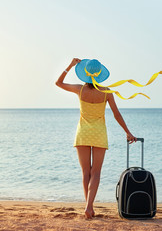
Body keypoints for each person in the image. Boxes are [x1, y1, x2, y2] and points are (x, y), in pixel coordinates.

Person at [55, 58, 137, 219]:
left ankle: (89, 207)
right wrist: (128, 132)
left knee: (86, 172)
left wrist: (71, 66)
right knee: (96, 172)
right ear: (100, 75)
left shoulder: (79, 90)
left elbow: (58, 83)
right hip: (99, 134)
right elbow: (117, 114)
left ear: (85, 74)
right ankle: (89, 207)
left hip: (83, 133)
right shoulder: (107, 92)